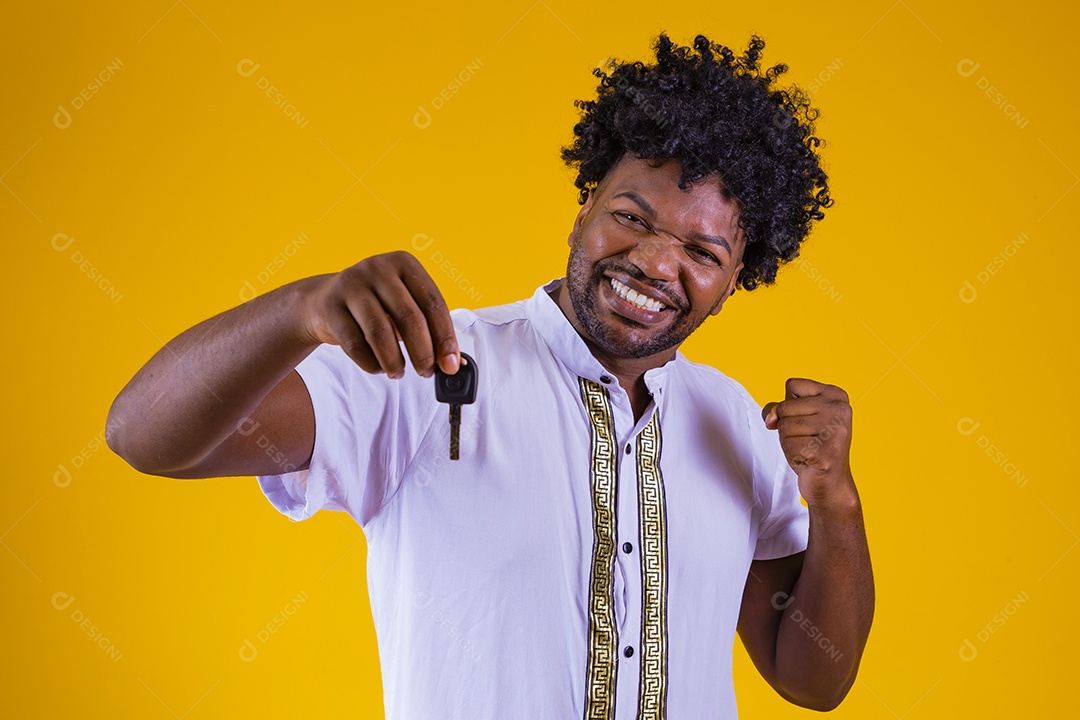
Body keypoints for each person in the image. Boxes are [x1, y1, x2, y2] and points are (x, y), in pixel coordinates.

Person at [107, 32, 873, 718]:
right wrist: (301, 310)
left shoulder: (733, 419)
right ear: (583, 208)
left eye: (703, 253)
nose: (655, 263)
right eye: (632, 217)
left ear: (736, 278)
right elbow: (142, 436)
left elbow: (813, 679)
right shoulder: (422, 362)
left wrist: (833, 498)